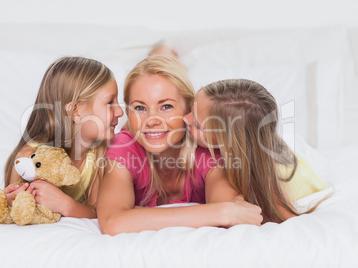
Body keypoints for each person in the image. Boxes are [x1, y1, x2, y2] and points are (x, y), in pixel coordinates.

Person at [97, 55, 263, 235]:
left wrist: (138, 216)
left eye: (166, 106)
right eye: (140, 108)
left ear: (189, 109)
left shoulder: (204, 147)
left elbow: (234, 214)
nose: (152, 120)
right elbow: (112, 223)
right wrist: (221, 212)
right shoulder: (124, 146)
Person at [184, 79, 329, 223]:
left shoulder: (266, 174)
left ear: (228, 142)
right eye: (191, 108)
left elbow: (287, 219)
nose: (185, 118)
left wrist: (235, 203)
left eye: (197, 124)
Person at [3, 56, 123, 219]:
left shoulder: (99, 153)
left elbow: (99, 211)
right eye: (110, 102)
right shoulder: (28, 157)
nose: (120, 112)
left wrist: (65, 205)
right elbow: (14, 207)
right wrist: (10, 201)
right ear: (75, 111)